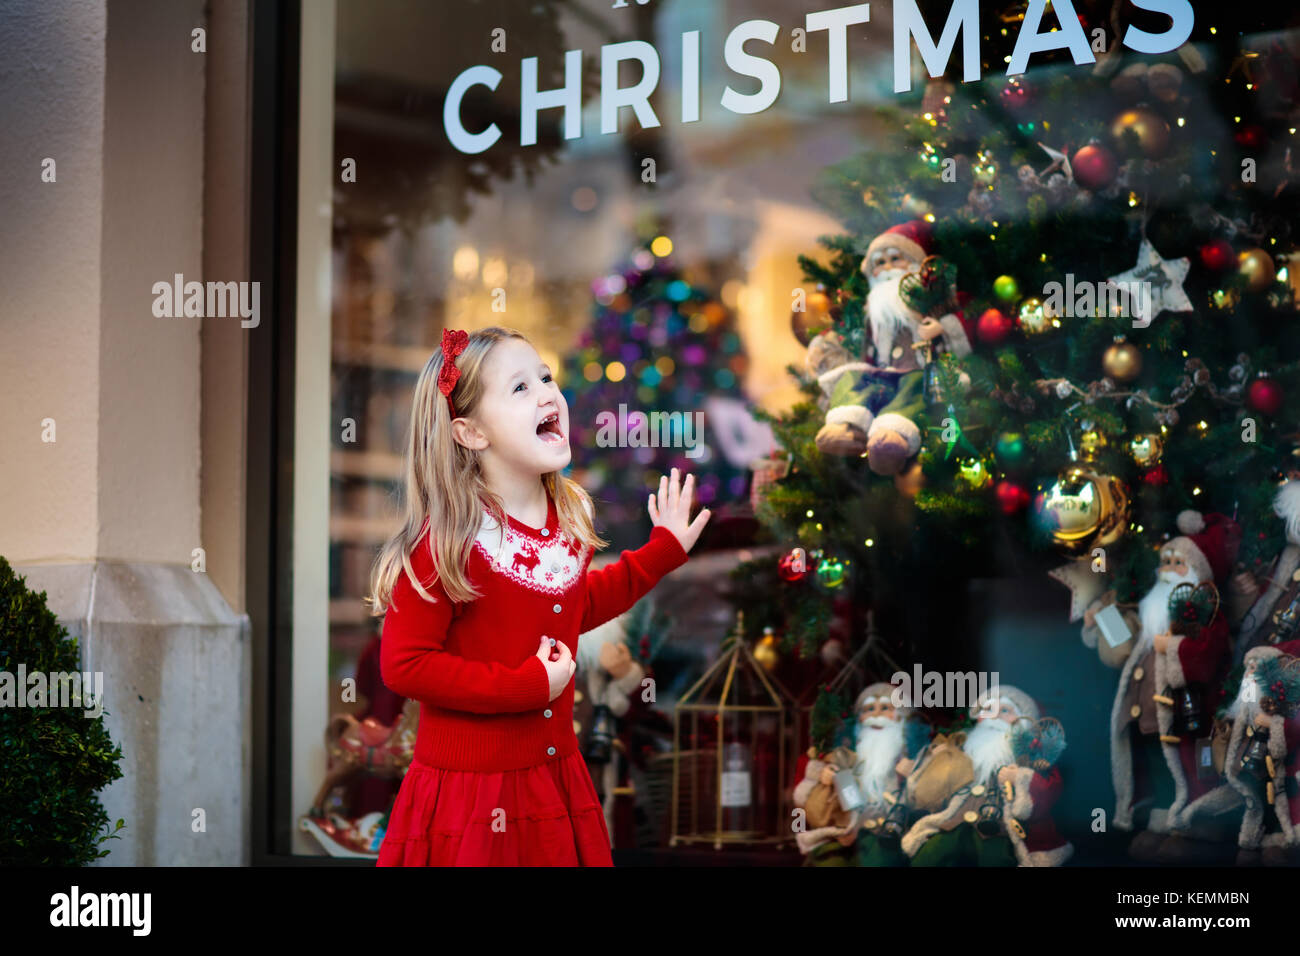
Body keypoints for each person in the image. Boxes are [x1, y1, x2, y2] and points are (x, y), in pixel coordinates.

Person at [369, 326, 710, 866]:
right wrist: (527, 685)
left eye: (546, 377)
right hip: (474, 801)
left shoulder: (563, 522)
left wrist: (662, 550)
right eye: (521, 388)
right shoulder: (447, 542)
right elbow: (406, 666)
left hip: (554, 782)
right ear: (471, 433)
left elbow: (580, 603)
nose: (549, 393)